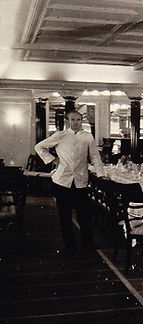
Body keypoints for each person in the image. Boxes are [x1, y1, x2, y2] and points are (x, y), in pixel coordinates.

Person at [34, 108, 103, 253]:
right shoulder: (60, 135)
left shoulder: (88, 137)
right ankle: (70, 247)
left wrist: (101, 172)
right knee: (65, 217)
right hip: (62, 182)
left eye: (78, 120)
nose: (76, 123)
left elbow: (95, 157)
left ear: (81, 121)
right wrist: (53, 160)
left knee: (84, 215)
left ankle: (88, 245)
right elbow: (39, 147)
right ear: (67, 121)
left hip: (81, 181)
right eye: (72, 120)